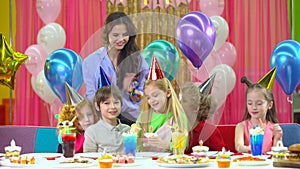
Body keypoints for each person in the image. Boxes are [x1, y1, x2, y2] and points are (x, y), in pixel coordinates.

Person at [82, 11, 149, 125]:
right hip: (103, 121)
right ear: (107, 34)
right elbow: (90, 96)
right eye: (116, 35)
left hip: (132, 120)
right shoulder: (91, 62)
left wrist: (132, 91)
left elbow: (144, 97)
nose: (121, 39)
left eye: (125, 34)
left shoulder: (138, 60)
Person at [136, 56, 188, 152]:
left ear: (167, 93)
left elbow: (182, 148)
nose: (152, 100)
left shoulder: (178, 117)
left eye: (155, 95)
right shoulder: (144, 117)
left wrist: (164, 144)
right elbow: (135, 145)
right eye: (148, 97)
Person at [235, 72, 282, 154]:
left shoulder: (273, 127)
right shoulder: (241, 126)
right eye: (250, 103)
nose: (254, 107)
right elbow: (238, 147)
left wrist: (278, 138)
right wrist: (249, 148)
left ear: (269, 105)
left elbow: (278, 153)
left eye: (259, 103)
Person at [180, 82, 226, 154]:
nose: (178, 103)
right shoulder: (177, 129)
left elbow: (222, 156)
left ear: (196, 107)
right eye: (178, 99)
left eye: (184, 100)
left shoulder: (209, 131)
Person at [84, 85, 130, 153]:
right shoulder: (92, 132)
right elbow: (89, 158)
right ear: (97, 106)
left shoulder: (128, 130)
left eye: (116, 102)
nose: (113, 106)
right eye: (107, 103)